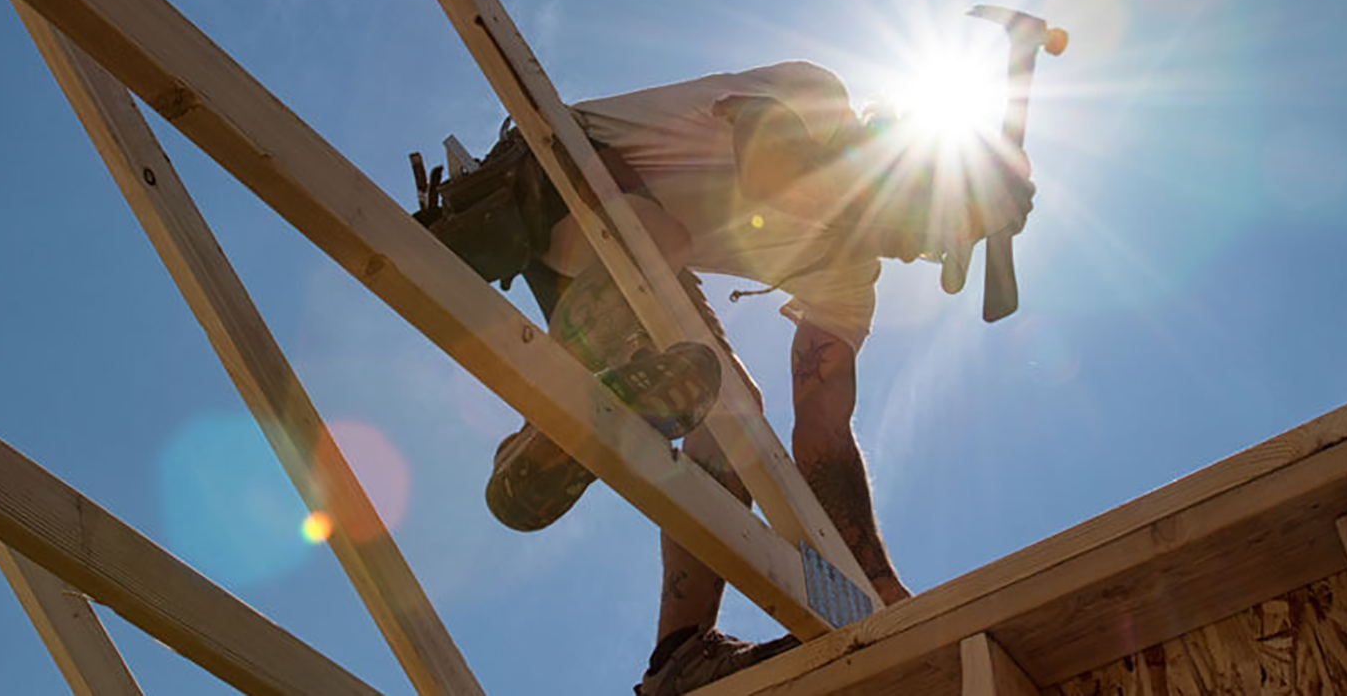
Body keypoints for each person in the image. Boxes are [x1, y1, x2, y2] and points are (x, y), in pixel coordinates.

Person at [417, 60, 1033, 695]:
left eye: (935, 248)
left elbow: (824, 431)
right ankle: (545, 419)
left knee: (734, 410)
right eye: (928, 223)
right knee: (659, 240)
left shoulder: (847, 278)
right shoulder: (815, 101)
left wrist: (874, 580)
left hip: (619, 258)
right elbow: (771, 175)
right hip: (549, 169)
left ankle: (677, 657)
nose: (915, 247)